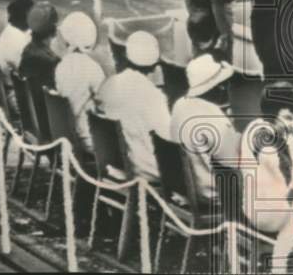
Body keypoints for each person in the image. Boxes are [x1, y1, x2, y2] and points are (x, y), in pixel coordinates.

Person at [239, 82, 293, 265]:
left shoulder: (260, 127)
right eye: (288, 117)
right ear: (272, 113)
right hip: (270, 214)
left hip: (259, 205)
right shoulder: (267, 141)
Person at [95, 31, 172, 182]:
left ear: (126, 56)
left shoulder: (108, 85)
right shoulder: (154, 96)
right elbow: (168, 141)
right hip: (148, 170)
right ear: (155, 65)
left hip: (118, 163)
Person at [169, 54, 241, 205]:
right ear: (220, 86)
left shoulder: (179, 105)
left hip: (186, 189)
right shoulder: (213, 116)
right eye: (226, 83)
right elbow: (233, 164)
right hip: (213, 194)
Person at [54, 12, 107, 153]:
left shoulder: (61, 65)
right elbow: (104, 105)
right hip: (87, 139)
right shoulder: (93, 67)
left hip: (66, 134)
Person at [19, 2, 61, 91]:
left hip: (31, 101)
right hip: (46, 103)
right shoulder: (52, 61)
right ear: (54, 31)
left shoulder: (27, 51)